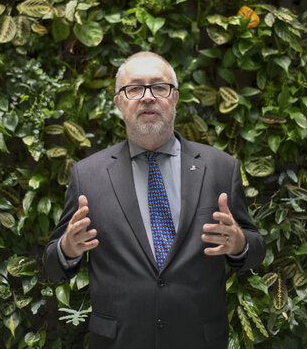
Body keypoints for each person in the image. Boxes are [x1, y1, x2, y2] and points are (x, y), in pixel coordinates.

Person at [44, 51, 266, 349]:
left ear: (174, 98)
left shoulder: (220, 168)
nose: (147, 97)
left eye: (159, 87)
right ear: (119, 103)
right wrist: (67, 249)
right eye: (134, 88)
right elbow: (52, 266)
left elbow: (256, 251)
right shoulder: (88, 174)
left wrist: (240, 244)